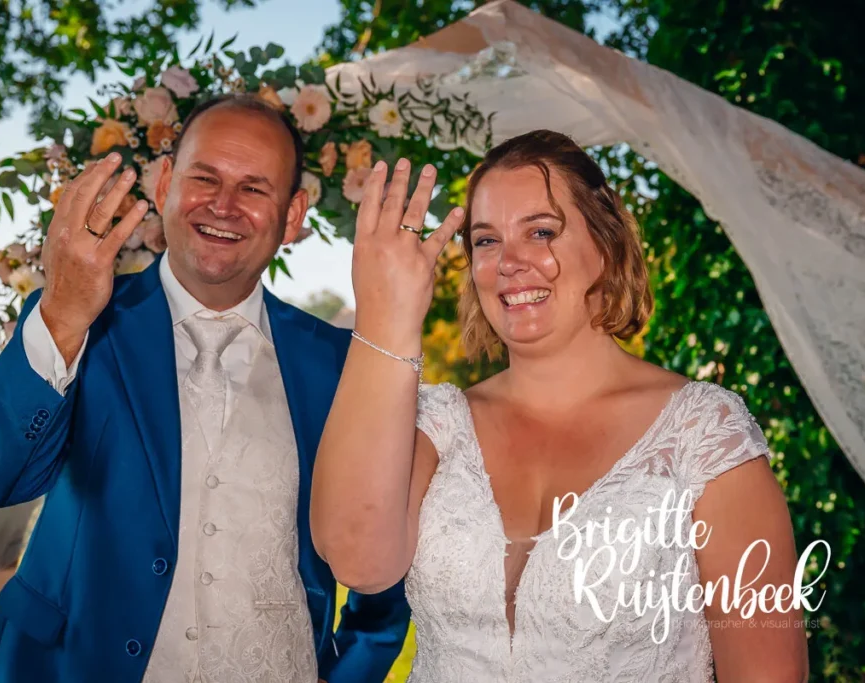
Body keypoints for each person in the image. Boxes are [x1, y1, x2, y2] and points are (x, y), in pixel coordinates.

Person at [311, 131, 809, 681]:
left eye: (541, 231)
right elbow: (358, 561)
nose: (509, 262)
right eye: (485, 241)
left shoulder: (704, 436)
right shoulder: (439, 423)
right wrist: (387, 315)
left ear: (605, 243)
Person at [0, 93, 410, 683]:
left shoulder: (338, 362)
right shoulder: (78, 323)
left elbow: (384, 576)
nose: (224, 206)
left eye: (254, 188)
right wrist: (65, 315)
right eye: (205, 177)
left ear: (293, 214)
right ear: (165, 181)